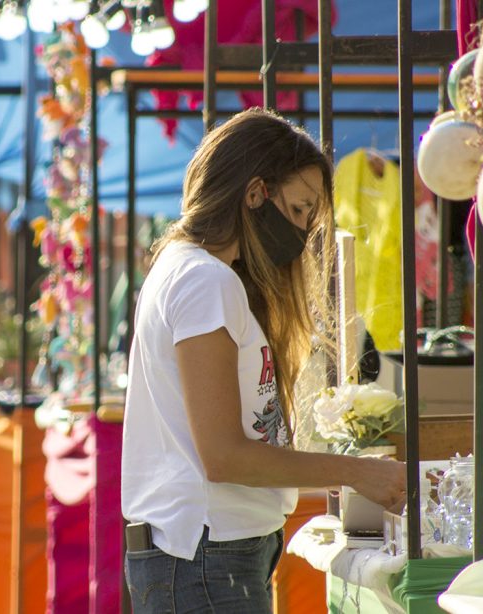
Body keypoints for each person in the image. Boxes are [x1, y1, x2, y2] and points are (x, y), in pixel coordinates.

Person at [121, 108, 407, 613]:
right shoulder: (204, 280)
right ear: (255, 194)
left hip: (212, 558)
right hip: (205, 561)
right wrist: (355, 472)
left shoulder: (196, 272)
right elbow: (224, 456)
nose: (301, 231)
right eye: (299, 210)